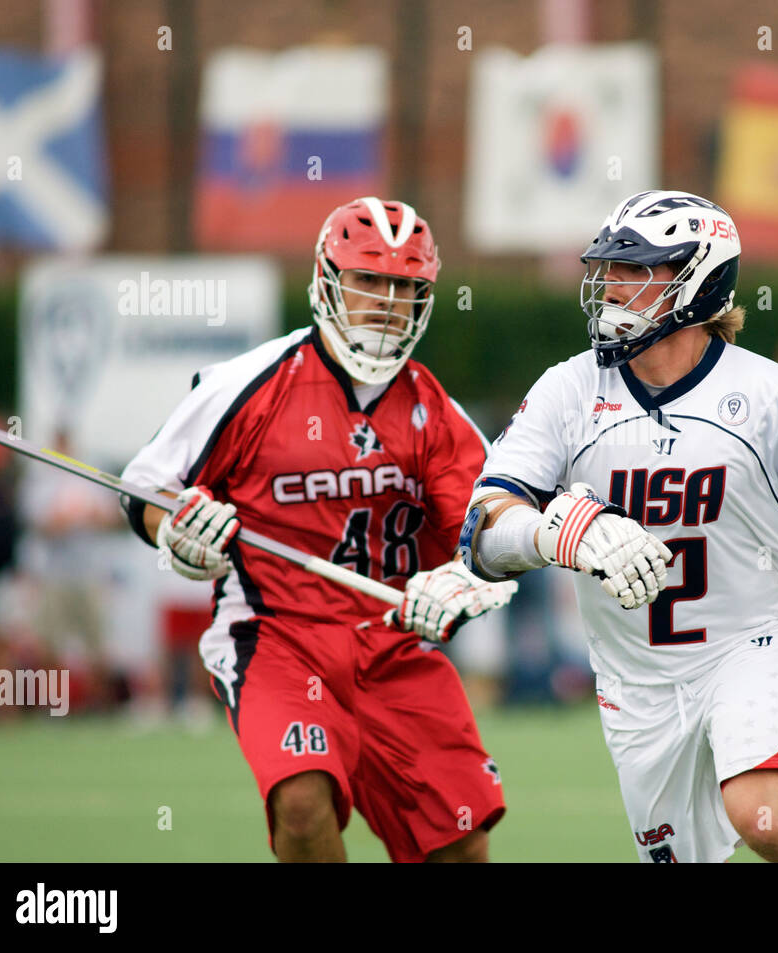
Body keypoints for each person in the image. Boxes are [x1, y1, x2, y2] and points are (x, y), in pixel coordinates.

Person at [456, 190, 778, 862]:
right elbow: (483, 527)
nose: (612, 287)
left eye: (638, 271)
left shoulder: (769, 396)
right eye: (610, 269)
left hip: (748, 642)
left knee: (764, 816)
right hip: (635, 675)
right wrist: (559, 532)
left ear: (696, 283)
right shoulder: (567, 391)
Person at [120, 197, 516, 861]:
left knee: (460, 844)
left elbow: (491, 527)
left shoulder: (433, 410)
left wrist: (465, 581)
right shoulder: (249, 384)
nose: (386, 301)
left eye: (403, 286)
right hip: (276, 634)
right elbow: (145, 488)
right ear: (327, 281)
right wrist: (178, 532)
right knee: (301, 804)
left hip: (391, 643)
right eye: (368, 279)